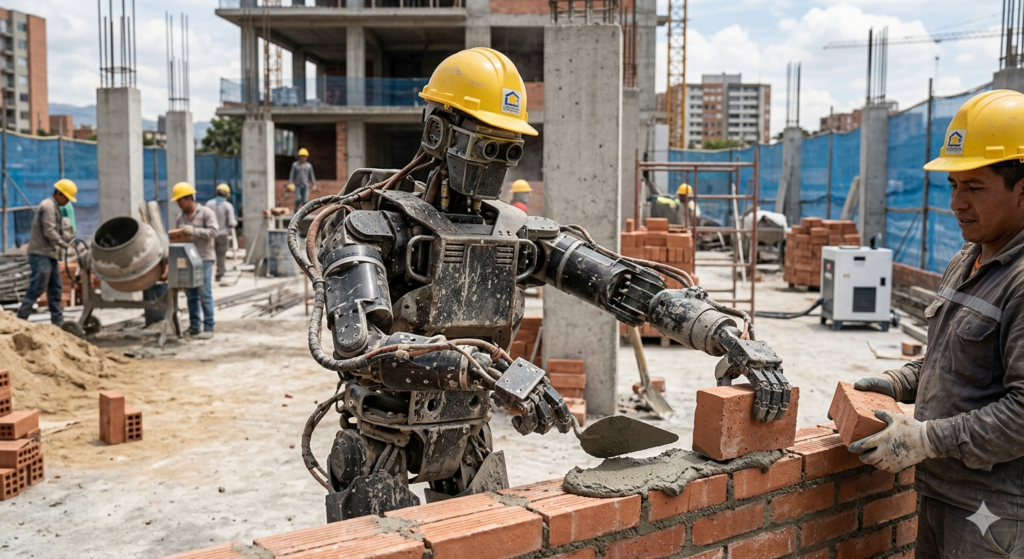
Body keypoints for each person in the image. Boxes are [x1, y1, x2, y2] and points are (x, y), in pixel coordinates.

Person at [849, 89, 1024, 556]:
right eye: (953, 185)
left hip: (995, 512)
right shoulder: (968, 257)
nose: (956, 203)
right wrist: (898, 381)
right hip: (939, 489)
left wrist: (926, 438)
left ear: (1022, 188)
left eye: (975, 187)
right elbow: (954, 358)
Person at [16, 179, 76, 325]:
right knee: (38, 286)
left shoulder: (55, 207)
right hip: (40, 254)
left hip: (50, 254)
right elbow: (49, 231)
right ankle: (21, 318)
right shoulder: (48, 207)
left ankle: (58, 321)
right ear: (59, 194)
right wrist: (64, 244)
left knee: (56, 287)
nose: (67, 201)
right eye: (66, 198)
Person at [171, 182, 219, 339]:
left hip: (204, 258)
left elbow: (214, 231)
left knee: (204, 292)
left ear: (190, 198)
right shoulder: (180, 218)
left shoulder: (206, 213)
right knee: (191, 294)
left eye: (181, 200)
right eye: (177, 201)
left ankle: (209, 327)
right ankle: (194, 326)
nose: (179, 204)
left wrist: (195, 231)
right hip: (188, 260)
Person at [205, 183, 238, 282]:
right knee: (221, 255)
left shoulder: (209, 204)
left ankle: (208, 274)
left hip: (211, 234)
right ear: (227, 194)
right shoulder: (228, 206)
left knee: (209, 255)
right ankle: (220, 273)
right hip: (223, 235)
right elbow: (231, 222)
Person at [288, 147, 316, 213]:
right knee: (298, 199)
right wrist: (290, 183)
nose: (303, 158)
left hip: (305, 185)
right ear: (299, 157)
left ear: (306, 157)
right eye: (301, 156)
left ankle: (303, 213)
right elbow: (292, 174)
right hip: (297, 185)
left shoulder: (309, 166)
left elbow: (311, 176)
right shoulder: (295, 165)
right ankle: (295, 211)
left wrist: (314, 184)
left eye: (304, 156)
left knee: (305, 200)